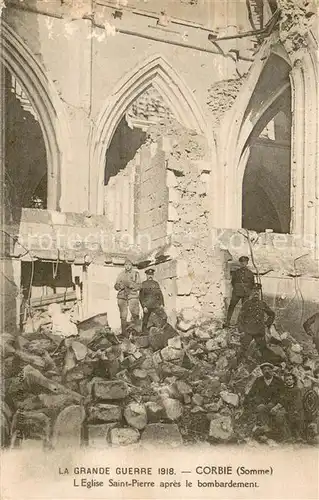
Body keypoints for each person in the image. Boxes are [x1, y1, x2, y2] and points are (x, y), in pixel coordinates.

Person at [244, 363, 287, 441]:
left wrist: (276, 405)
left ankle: (273, 433)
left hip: (275, 404)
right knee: (261, 409)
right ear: (262, 371)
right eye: (264, 369)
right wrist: (257, 402)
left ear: (272, 370)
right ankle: (265, 430)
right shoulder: (259, 380)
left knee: (276, 414)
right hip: (262, 403)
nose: (267, 371)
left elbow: (283, 394)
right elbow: (252, 393)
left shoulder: (278, 380)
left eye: (269, 369)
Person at [237, 284, 275, 362]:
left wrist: (266, 324)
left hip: (259, 332)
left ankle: (262, 366)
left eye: (258, 291)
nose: (256, 293)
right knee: (243, 350)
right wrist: (242, 331)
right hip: (248, 332)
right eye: (254, 291)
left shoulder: (262, 304)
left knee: (263, 351)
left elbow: (272, 314)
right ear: (251, 292)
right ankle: (239, 366)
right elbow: (240, 318)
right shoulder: (247, 304)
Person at [224, 256, 255, 327]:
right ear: (240, 263)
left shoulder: (250, 273)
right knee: (231, 306)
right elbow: (233, 282)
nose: (243, 264)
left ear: (247, 263)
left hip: (246, 293)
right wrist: (237, 288)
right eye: (242, 262)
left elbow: (252, 284)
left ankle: (241, 324)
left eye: (245, 262)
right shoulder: (236, 272)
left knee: (244, 308)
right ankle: (227, 321)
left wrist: (248, 291)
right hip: (236, 292)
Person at [114, 259, 141, 336]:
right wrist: (119, 286)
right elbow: (115, 286)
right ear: (124, 266)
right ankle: (124, 333)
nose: (127, 266)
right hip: (122, 296)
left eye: (129, 265)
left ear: (131, 265)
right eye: (126, 265)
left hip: (132, 296)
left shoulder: (136, 274)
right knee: (123, 316)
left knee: (135, 314)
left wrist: (133, 285)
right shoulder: (120, 275)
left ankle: (137, 332)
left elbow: (140, 286)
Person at [139, 268, 164, 333]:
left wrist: (161, 303)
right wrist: (144, 306)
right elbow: (141, 296)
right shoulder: (143, 284)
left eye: (151, 274)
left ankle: (160, 332)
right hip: (147, 306)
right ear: (146, 275)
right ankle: (144, 333)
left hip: (156, 305)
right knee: (145, 320)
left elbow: (160, 294)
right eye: (148, 274)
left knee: (162, 317)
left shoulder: (156, 283)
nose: (150, 276)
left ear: (153, 275)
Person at [282, 372, 304, 440]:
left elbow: (298, 401)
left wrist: (295, 410)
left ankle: (298, 435)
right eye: (287, 380)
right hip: (287, 407)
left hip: (296, 408)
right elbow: (283, 400)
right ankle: (288, 436)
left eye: (290, 379)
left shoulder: (297, 389)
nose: (288, 381)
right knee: (283, 416)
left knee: (297, 416)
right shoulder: (284, 389)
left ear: (293, 380)